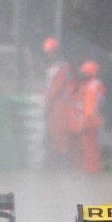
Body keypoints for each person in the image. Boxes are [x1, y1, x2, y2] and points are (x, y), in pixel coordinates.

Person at [42, 37, 75, 168]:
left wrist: (48, 99)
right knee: (53, 131)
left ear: (55, 51)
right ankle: (55, 160)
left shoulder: (62, 67)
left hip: (60, 103)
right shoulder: (54, 67)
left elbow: (57, 87)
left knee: (59, 132)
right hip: (54, 103)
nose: (47, 55)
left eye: (49, 52)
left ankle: (62, 163)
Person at [70, 60, 106, 174]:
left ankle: (91, 171)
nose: (81, 74)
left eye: (84, 72)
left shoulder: (91, 88)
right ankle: (92, 169)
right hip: (94, 121)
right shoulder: (96, 85)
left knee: (89, 148)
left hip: (90, 122)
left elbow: (89, 110)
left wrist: (83, 124)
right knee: (92, 147)